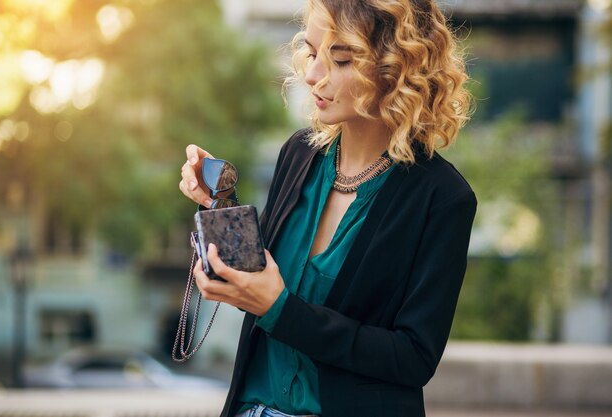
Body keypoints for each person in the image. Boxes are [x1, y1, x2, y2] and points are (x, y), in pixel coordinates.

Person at [178, 0, 476, 416]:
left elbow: (412, 357)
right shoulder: (299, 154)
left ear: (395, 68)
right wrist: (219, 204)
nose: (314, 75)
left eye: (340, 59)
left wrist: (280, 310)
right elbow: (264, 276)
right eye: (313, 52)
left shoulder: (442, 198)